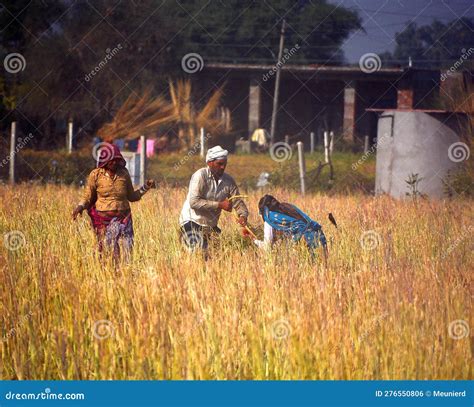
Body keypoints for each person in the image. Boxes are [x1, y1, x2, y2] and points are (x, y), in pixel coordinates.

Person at [72, 142, 155, 263]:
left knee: (128, 249)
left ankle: (126, 273)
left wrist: (146, 187)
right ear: (104, 161)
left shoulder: (124, 174)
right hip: (104, 219)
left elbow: (132, 196)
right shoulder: (96, 175)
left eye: (117, 159)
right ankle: (110, 274)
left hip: (124, 217)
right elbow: (88, 196)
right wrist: (80, 207)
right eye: (111, 160)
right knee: (110, 251)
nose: (114, 163)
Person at [179, 145, 248, 254]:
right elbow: (194, 202)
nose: (222, 167)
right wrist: (220, 205)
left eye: (224, 164)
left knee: (217, 255)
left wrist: (243, 216)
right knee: (197, 253)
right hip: (192, 221)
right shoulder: (200, 176)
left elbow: (238, 203)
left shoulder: (228, 181)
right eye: (219, 164)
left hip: (210, 225)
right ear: (209, 163)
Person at [249, 194, 328, 265]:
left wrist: (254, 241)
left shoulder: (269, 218)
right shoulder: (287, 208)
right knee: (322, 267)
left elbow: (267, 246)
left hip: (304, 242)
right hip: (318, 235)